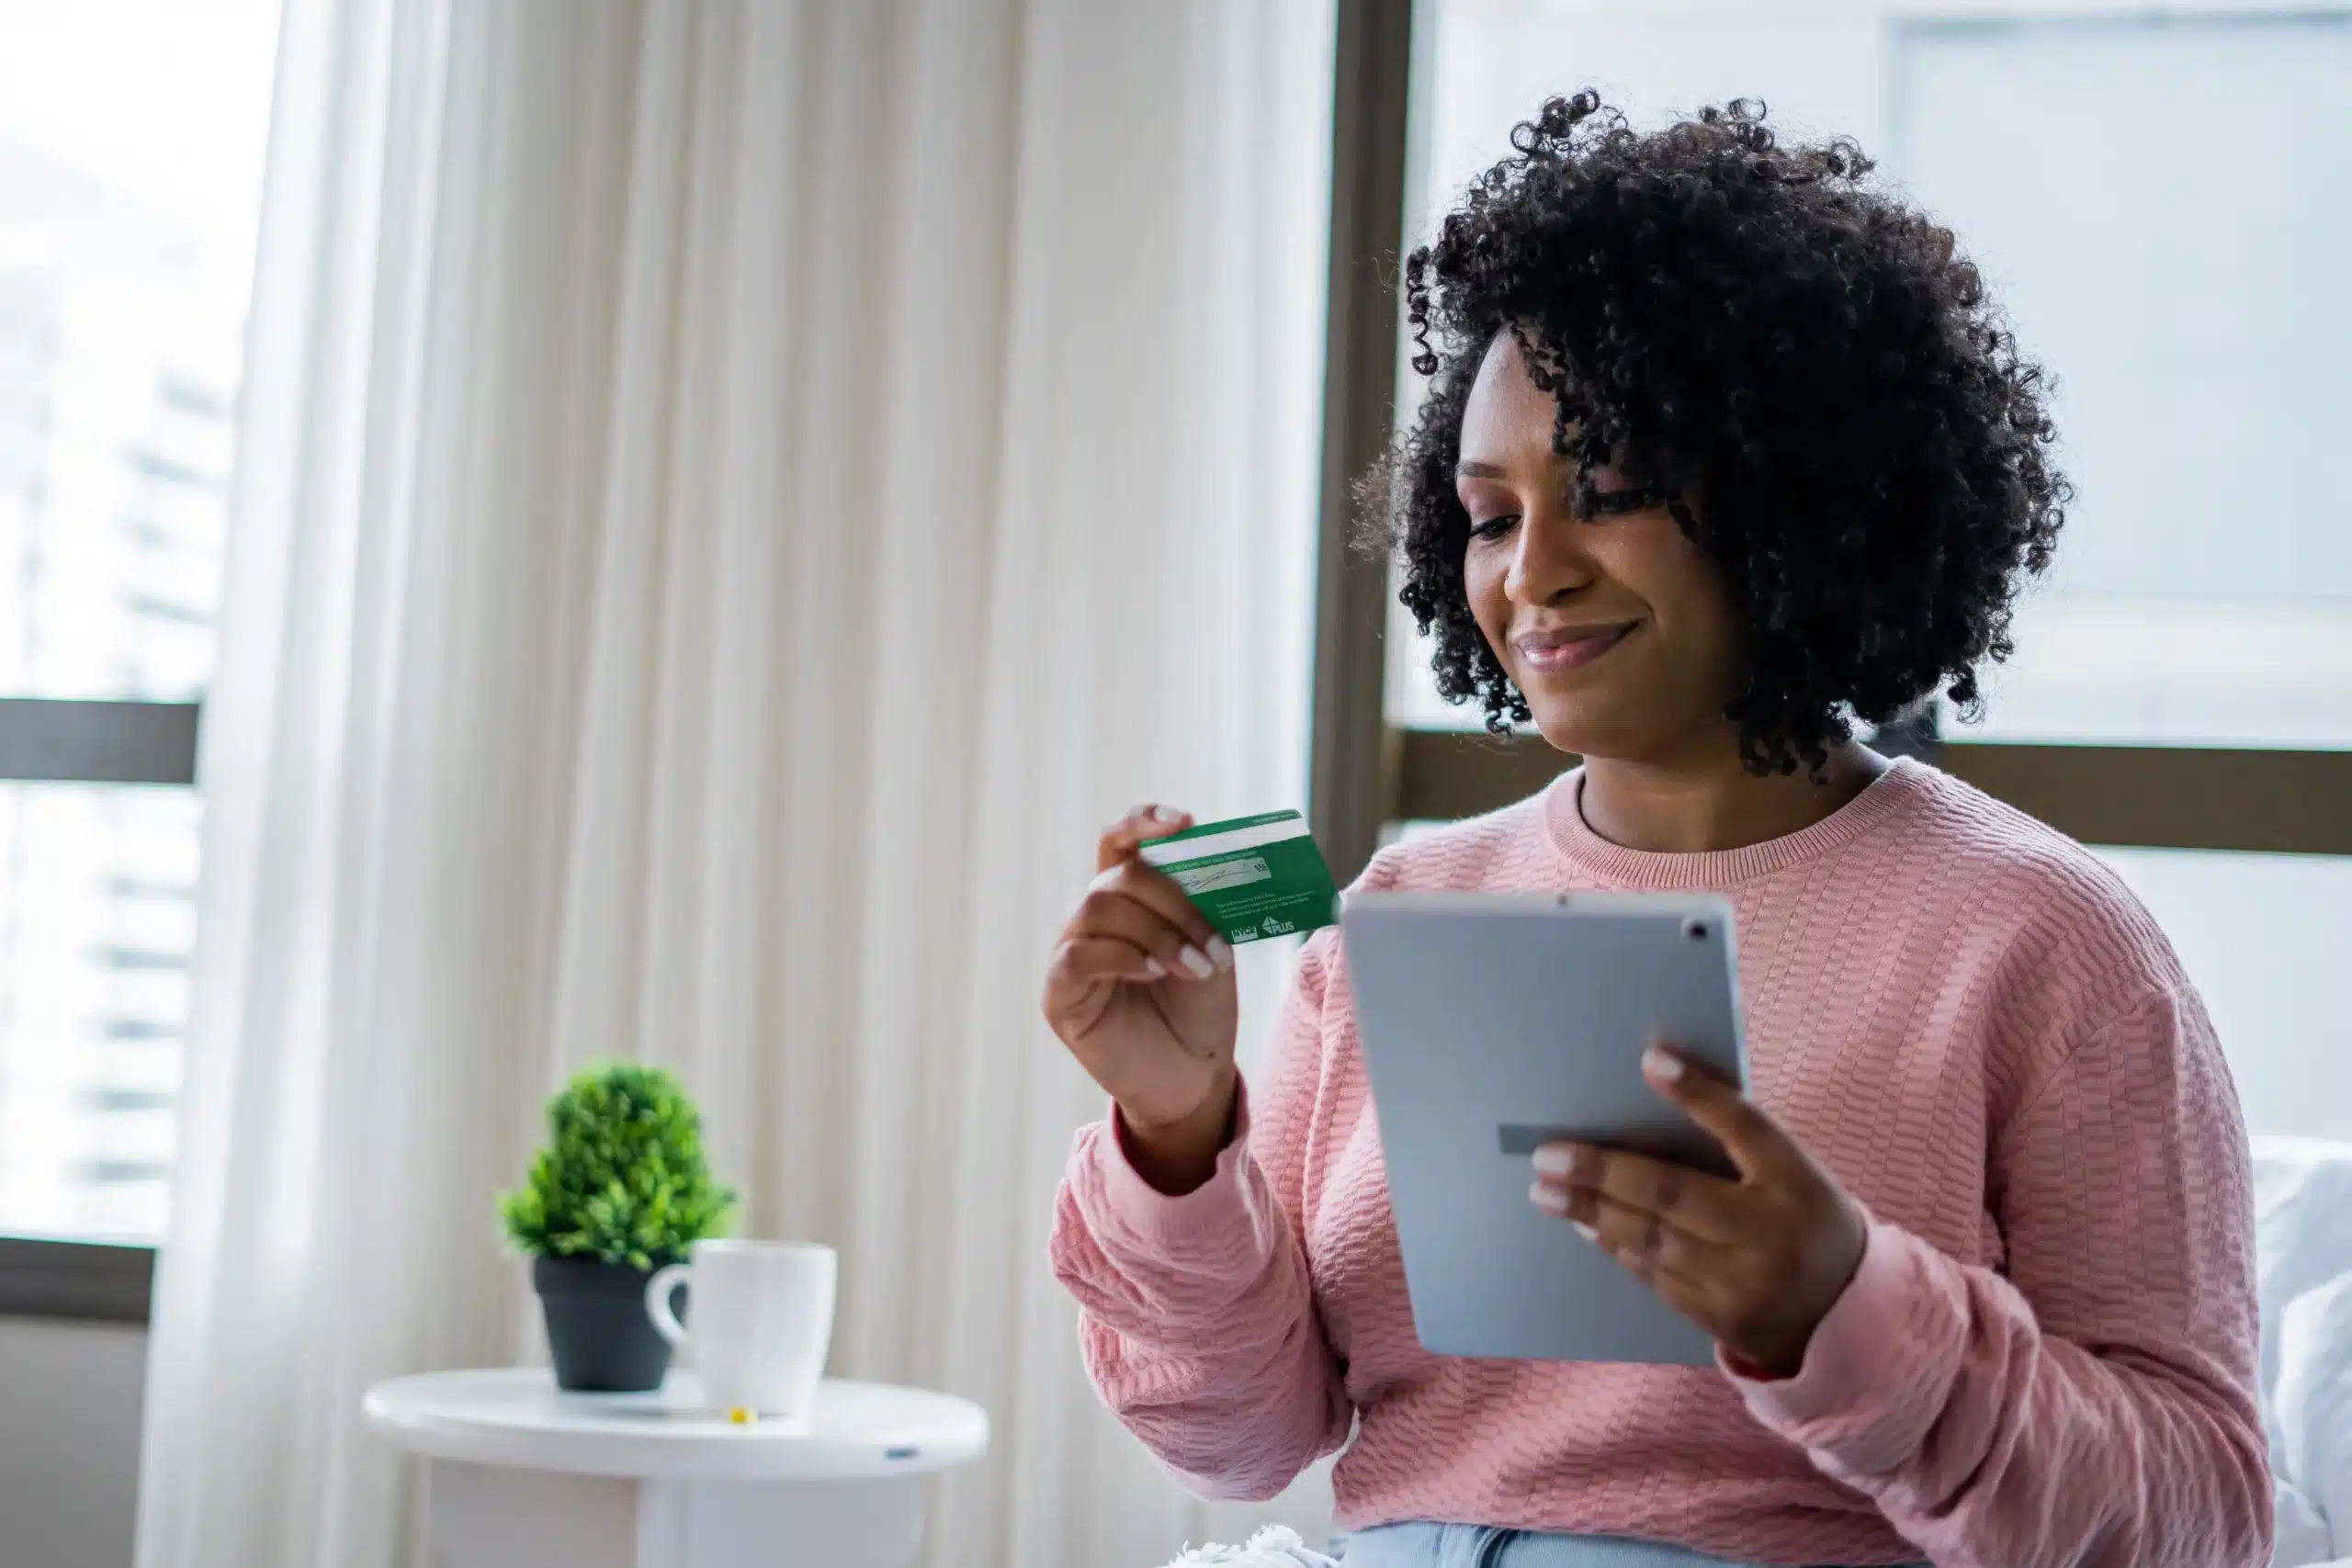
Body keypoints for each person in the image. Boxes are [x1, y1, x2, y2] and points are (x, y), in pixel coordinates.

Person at [1042, 94, 2271, 1568]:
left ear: (1791, 498)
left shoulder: (2040, 939)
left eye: (1610, 493)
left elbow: (2203, 1522)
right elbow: (1239, 1442)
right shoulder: (1411, 907)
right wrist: (1180, 1140)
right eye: (1490, 516)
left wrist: (1848, 1313)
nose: (1532, 574)